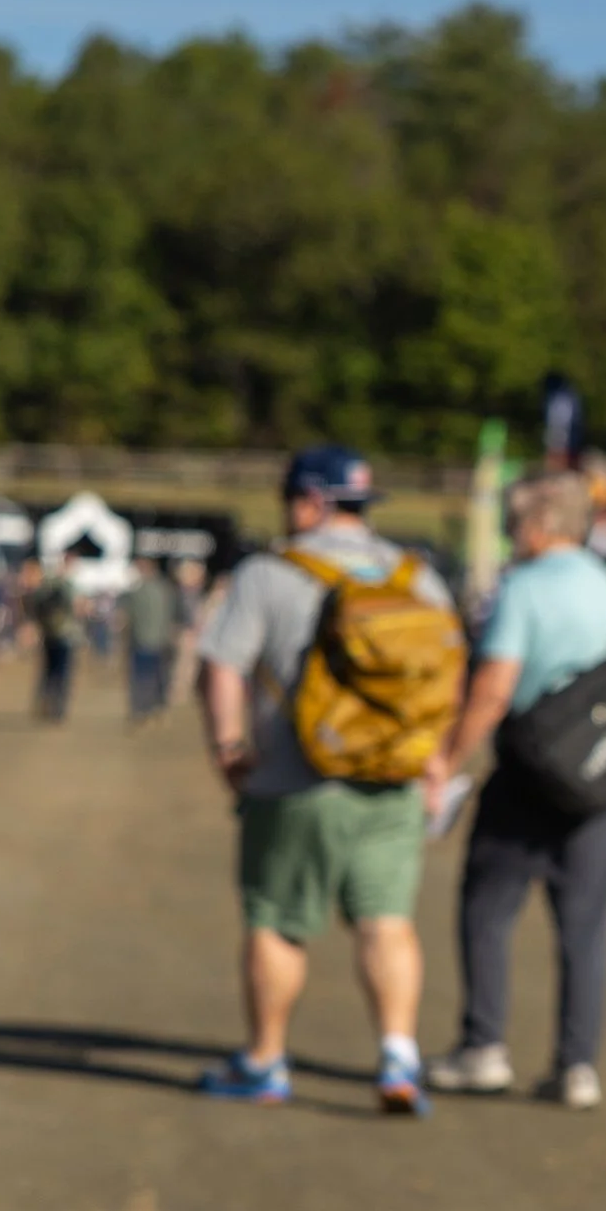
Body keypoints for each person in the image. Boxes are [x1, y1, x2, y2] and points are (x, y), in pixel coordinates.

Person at [193, 446, 454, 1111]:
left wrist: (228, 746)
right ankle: (399, 1056)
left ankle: (266, 1060)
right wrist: (434, 760)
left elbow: (222, 665)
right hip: (392, 776)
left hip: (294, 778)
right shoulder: (416, 575)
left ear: (309, 501)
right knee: (387, 921)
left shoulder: (267, 573)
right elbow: (445, 676)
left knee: (278, 922)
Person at [422, 474, 606, 1110]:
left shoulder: (523, 587)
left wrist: (447, 758)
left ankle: (484, 1047)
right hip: (598, 774)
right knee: (585, 930)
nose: (512, 537)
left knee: (487, 910)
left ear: (538, 525)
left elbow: (493, 688)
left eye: (515, 525)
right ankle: (577, 1066)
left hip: (528, 770)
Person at [120, 555, 185, 724]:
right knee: (156, 678)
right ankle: (151, 709)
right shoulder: (165, 589)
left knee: (146, 678)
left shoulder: (143, 590)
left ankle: (144, 710)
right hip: (155, 641)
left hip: (148, 641)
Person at [28, 552, 82, 723]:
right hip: (66, 634)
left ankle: (45, 704)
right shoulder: (68, 585)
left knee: (48, 671)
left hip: (49, 633)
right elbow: (77, 608)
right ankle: (58, 709)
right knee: (62, 674)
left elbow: (35, 604)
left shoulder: (48, 583)